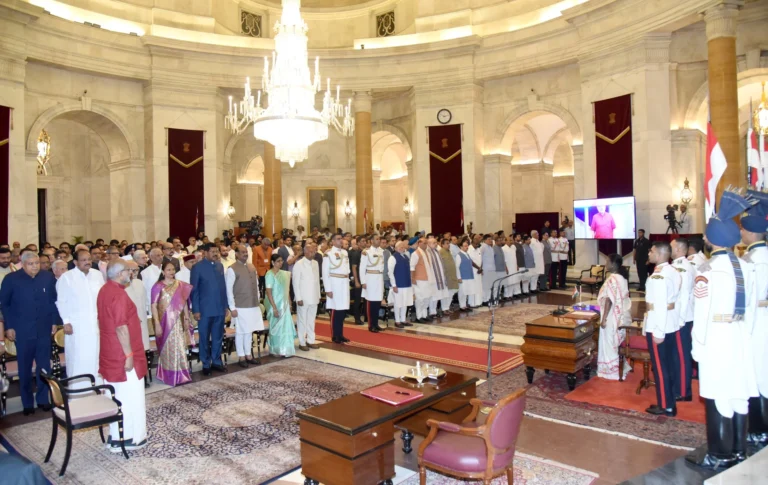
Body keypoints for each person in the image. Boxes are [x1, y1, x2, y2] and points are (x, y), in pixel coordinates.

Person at [687, 191, 757, 468]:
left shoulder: (708, 272)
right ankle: (739, 449)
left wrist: (698, 347)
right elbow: (750, 309)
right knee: (739, 393)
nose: (704, 239)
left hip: (716, 338)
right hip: (740, 335)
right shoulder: (745, 267)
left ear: (713, 239)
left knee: (718, 395)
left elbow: (701, 315)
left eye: (706, 235)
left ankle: (719, 454)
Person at [97, 260, 148, 451]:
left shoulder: (105, 289)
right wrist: (128, 354)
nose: (131, 273)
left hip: (110, 349)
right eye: (129, 270)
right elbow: (121, 327)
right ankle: (129, 437)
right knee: (129, 394)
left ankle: (116, 435)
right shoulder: (118, 294)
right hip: (122, 351)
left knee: (116, 393)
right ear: (120, 273)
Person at [0, 252, 57, 415]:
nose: (35, 266)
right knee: (24, 368)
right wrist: (9, 327)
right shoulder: (11, 279)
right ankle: (27, 403)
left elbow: (53, 301)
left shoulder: (47, 277)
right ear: (22, 264)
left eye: (37, 263)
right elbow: (5, 305)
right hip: (22, 330)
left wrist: (53, 321)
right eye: (31, 264)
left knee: (44, 366)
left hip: (43, 329)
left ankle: (43, 399)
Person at [740, 190, 768, 447]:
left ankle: (759, 428)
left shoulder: (750, 262)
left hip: (756, 324)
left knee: (757, 375)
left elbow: (744, 300)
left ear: (749, 233)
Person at [55, 248, 105, 389]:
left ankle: (98, 388)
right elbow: (61, 302)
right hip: (77, 326)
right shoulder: (67, 278)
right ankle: (79, 390)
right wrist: (66, 322)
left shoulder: (97, 275)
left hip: (96, 324)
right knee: (78, 358)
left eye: (89, 259)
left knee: (97, 356)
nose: (87, 262)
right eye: (83, 260)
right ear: (75, 262)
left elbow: (102, 298)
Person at [644, 241, 682, 417]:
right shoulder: (673, 271)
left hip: (659, 325)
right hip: (671, 323)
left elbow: (659, 305)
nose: (649, 254)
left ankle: (666, 405)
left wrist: (658, 332)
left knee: (660, 367)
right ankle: (670, 400)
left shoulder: (658, 276)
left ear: (659, 255)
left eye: (651, 251)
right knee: (669, 364)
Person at [150, 260, 192, 386]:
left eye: (173, 269)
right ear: (163, 271)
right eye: (168, 270)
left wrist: (186, 318)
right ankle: (168, 375)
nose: (171, 272)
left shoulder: (180, 285)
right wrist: (157, 323)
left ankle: (181, 374)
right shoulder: (157, 286)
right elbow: (153, 305)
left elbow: (184, 303)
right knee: (167, 349)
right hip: (164, 322)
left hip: (178, 321)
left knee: (179, 347)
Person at [190, 244, 228, 376]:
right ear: (205, 253)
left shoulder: (219, 266)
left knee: (218, 337)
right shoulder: (197, 268)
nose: (215, 253)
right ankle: (206, 364)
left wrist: (225, 305)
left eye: (216, 251)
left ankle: (216, 362)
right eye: (212, 251)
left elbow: (223, 288)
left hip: (219, 308)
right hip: (204, 310)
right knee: (204, 338)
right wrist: (196, 310)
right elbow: (194, 291)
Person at [225, 244, 264, 365]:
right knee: (241, 332)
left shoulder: (252, 266)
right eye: (242, 252)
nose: (245, 254)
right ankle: (241, 356)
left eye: (246, 252)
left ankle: (248, 355)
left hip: (252, 305)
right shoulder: (232, 269)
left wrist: (257, 300)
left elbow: (256, 286)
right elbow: (228, 290)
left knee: (249, 331)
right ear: (236, 254)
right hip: (240, 306)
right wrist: (232, 308)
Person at [597, 253, 632, 380]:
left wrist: (604, 318)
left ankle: (610, 371)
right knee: (615, 342)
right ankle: (619, 367)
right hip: (620, 314)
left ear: (613, 264)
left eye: (607, 261)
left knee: (608, 342)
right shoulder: (622, 278)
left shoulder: (612, 279)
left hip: (611, 315)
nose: (606, 264)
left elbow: (608, 300)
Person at [671, 238, 695, 402]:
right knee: (676, 355)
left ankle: (683, 391)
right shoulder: (681, 266)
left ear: (679, 250)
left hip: (682, 318)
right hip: (680, 318)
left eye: (672, 247)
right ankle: (678, 386)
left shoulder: (682, 268)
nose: (669, 249)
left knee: (681, 355)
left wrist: (679, 320)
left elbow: (684, 295)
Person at [265, 254, 296, 357]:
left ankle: (285, 349)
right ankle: (275, 349)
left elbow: (286, 290)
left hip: (285, 304)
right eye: (278, 261)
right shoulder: (269, 274)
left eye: (281, 261)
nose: (280, 263)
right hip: (274, 305)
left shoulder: (284, 274)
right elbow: (269, 292)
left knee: (285, 328)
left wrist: (290, 303)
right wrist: (274, 307)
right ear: (273, 262)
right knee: (275, 328)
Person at [322, 234, 351, 343]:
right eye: (338, 239)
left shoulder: (345, 252)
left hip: (344, 282)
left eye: (341, 239)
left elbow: (346, 269)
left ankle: (341, 334)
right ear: (332, 241)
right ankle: (335, 335)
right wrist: (328, 289)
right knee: (335, 309)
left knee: (342, 310)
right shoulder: (328, 254)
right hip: (334, 283)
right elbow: (325, 273)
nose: (340, 241)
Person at [293, 243, 321, 350]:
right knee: (302, 320)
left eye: (314, 251)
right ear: (305, 252)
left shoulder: (315, 263)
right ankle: (302, 342)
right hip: (303, 297)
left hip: (313, 296)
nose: (313, 253)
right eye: (310, 251)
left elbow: (317, 281)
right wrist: (298, 298)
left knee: (311, 320)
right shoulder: (299, 264)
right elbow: (295, 282)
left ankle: (311, 340)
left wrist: (318, 294)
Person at [124, 262, 149, 372]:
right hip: (129, 322)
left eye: (136, 270)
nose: (134, 273)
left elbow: (145, 300)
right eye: (131, 270)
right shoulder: (122, 285)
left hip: (142, 319)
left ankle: (143, 375)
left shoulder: (139, 282)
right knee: (132, 348)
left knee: (142, 348)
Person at [361, 234, 386, 332]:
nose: (378, 240)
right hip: (370, 278)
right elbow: (362, 268)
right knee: (371, 302)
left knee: (377, 302)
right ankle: (371, 325)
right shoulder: (366, 252)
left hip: (379, 278)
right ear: (371, 241)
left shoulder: (381, 251)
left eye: (379, 239)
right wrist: (363, 281)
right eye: (376, 239)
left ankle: (376, 323)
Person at [388, 241, 414, 328]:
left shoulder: (406, 256)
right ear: (396, 248)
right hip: (398, 284)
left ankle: (403, 319)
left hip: (406, 283)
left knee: (405, 302)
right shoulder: (393, 258)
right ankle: (397, 321)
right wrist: (394, 285)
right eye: (400, 247)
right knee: (398, 303)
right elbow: (390, 273)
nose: (402, 248)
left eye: (403, 247)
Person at [410, 238, 435, 323]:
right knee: (420, 299)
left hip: (428, 279)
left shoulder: (427, 253)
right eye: (424, 243)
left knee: (427, 298)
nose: (426, 245)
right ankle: (418, 316)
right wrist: (413, 278)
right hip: (419, 280)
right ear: (419, 243)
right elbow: (412, 267)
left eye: (426, 243)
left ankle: (424, 315)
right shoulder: (415, 254)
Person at [426, 237, 450, 318]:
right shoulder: (427, 252)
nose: (436, 244)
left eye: (436, 242)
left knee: (442, 294)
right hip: (433, 278)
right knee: (434, 296)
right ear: (428, 244)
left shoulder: (437, 251)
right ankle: (432, 312)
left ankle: (444, 309)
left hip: (440, 276)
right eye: (433, 243)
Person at [455, 238, 477, 310]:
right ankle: (462, 306)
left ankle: (465, 305)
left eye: (467, 246)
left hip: (468, 275)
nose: (466, 247)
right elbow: (457, 267)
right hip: (463, 276)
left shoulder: (467, 254)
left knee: (467, 291)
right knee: (462, 292)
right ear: (461, 247)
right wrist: (459, 277)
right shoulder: (459, 255)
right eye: (465, 246)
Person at [141, 248, 164, 316]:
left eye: (161, 255)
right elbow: (145, 290)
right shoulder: (145, 272)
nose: (161, 257)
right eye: (158, 255)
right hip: (153, 303)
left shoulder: (167, 268)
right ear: (151, 257)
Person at [438, 238, 458, 313]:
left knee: (452, 292)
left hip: (452, 275)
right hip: (446, 276)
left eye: (449, 243)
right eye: (446, 243)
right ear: (442, 245)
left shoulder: (449, 252)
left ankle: (447, 307)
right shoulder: (440, 252)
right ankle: (444, 309)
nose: (448, 245)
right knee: (446, 293)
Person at [480, 235, 496, 304]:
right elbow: (480, 259)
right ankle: (484, 300)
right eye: (489, 239)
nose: (490, 241)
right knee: (485, 285)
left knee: (490, 285)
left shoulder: (491, 248)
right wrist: (481, 268)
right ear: (484, 240)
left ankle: (489, 298)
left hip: (492, 269)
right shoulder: (482, 247)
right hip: (485, 269)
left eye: (491, 239)